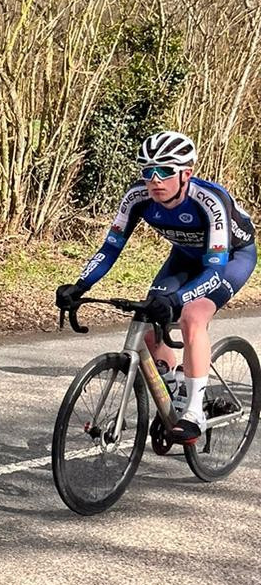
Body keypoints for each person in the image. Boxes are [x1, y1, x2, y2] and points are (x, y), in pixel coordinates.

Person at [55, 130, 256, 436]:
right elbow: (110, 248)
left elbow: (214, 271)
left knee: (193, 316)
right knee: (147, 321)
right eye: (148, 172)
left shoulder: (210, 200)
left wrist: (175, 301)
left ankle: (195, 413)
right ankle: (175, 390)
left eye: (164, 171)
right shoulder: (137, 197)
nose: (154, 180)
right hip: (184, 255)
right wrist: (80, 285)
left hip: (230, 258)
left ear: (186, 173)